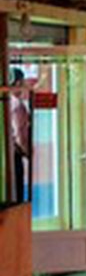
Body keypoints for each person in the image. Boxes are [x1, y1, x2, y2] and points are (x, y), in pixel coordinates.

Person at [8, 69, 31, 204]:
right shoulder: (17, 106)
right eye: (23, 82)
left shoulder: (5, 102)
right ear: (17, 83)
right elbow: (20, 137)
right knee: (17, 200)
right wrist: (28, 153)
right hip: (15, 157)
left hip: (6, 157)